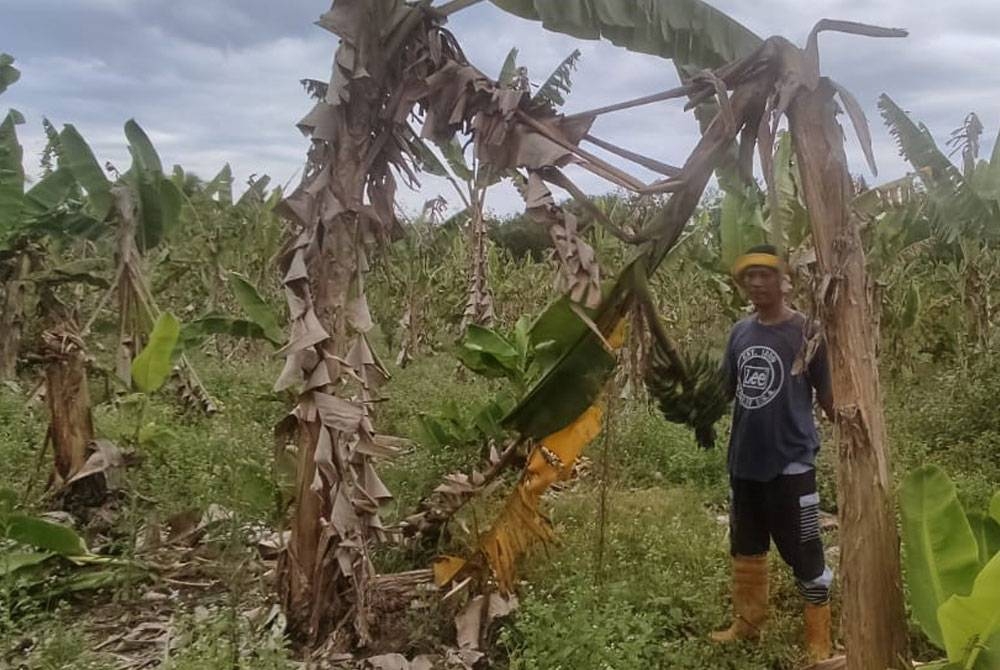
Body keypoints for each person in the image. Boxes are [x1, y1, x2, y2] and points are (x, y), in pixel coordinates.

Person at [710, 244, 835, 663]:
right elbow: (726, 390)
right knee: (746, 547)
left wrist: (854, 424)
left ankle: (819, 641)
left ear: (785, 280)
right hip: (745, 460)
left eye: (766, 274)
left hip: (791, 462)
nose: (757, 282)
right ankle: (747, 625)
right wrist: (692, 401)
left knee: (806, 550)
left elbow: (829, 396)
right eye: (750, 276)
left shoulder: (807, 331)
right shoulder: (739, 332)